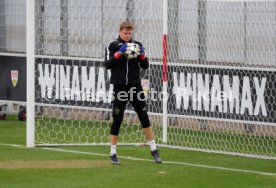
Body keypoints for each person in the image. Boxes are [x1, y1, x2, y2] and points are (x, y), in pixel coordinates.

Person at [104, 20, 161, 165]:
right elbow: (107, 65)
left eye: (130, 33)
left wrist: (142, 55)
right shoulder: (112, 45)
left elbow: (145, 65)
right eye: (125, 33)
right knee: (118, 118)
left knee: (144, 116)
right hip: (120, 87)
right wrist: (119, 53)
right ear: (120, 31)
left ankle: (154, 149)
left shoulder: (138, 45)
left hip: (135, 86)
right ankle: (113, 152)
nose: (128, 35)